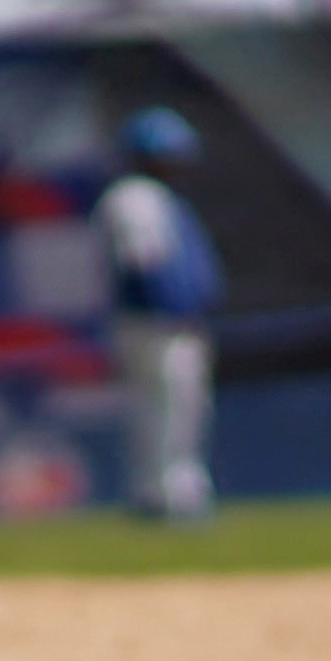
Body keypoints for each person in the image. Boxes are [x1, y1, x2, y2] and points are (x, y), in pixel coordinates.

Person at [100, 104, 223, 523]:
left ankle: (160, 493)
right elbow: (146, 263)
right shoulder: (136, 197)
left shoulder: (153, 197)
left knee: (168, 409)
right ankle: (169, 496)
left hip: (159, 321)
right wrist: (171, 308)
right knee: (172, 408)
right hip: (158, 323)